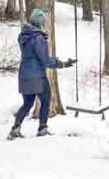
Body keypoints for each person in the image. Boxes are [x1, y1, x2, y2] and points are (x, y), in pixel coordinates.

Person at [9, 8, 74, 139]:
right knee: (45, 99)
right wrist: (61, 63)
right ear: (40, 23)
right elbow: (44, 61)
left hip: (24, 74)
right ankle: (42, 128)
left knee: (27, 103)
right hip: (37, 76)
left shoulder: (24, 36)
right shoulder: (38, 38)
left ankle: (15, 128)